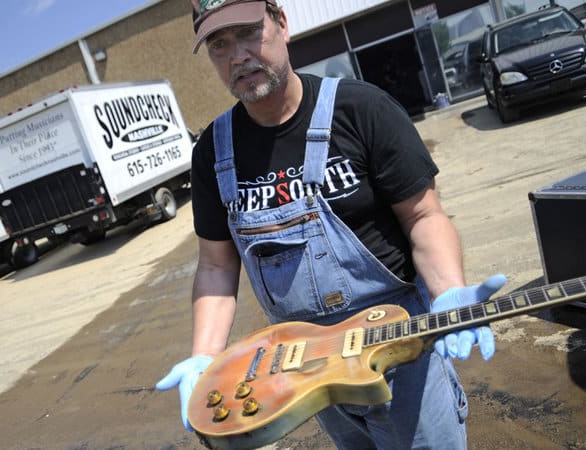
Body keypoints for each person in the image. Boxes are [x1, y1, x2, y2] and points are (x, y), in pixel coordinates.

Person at [157, 1, 506, 448]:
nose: (237, 56)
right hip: (309, 375)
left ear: (281, 23)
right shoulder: (212, 151)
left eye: (248, 33)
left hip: (400, 354)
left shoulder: (362, 110)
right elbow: (216, 268)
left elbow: (423, 216)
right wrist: (205, 356)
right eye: (219, 45)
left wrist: (449, 290)